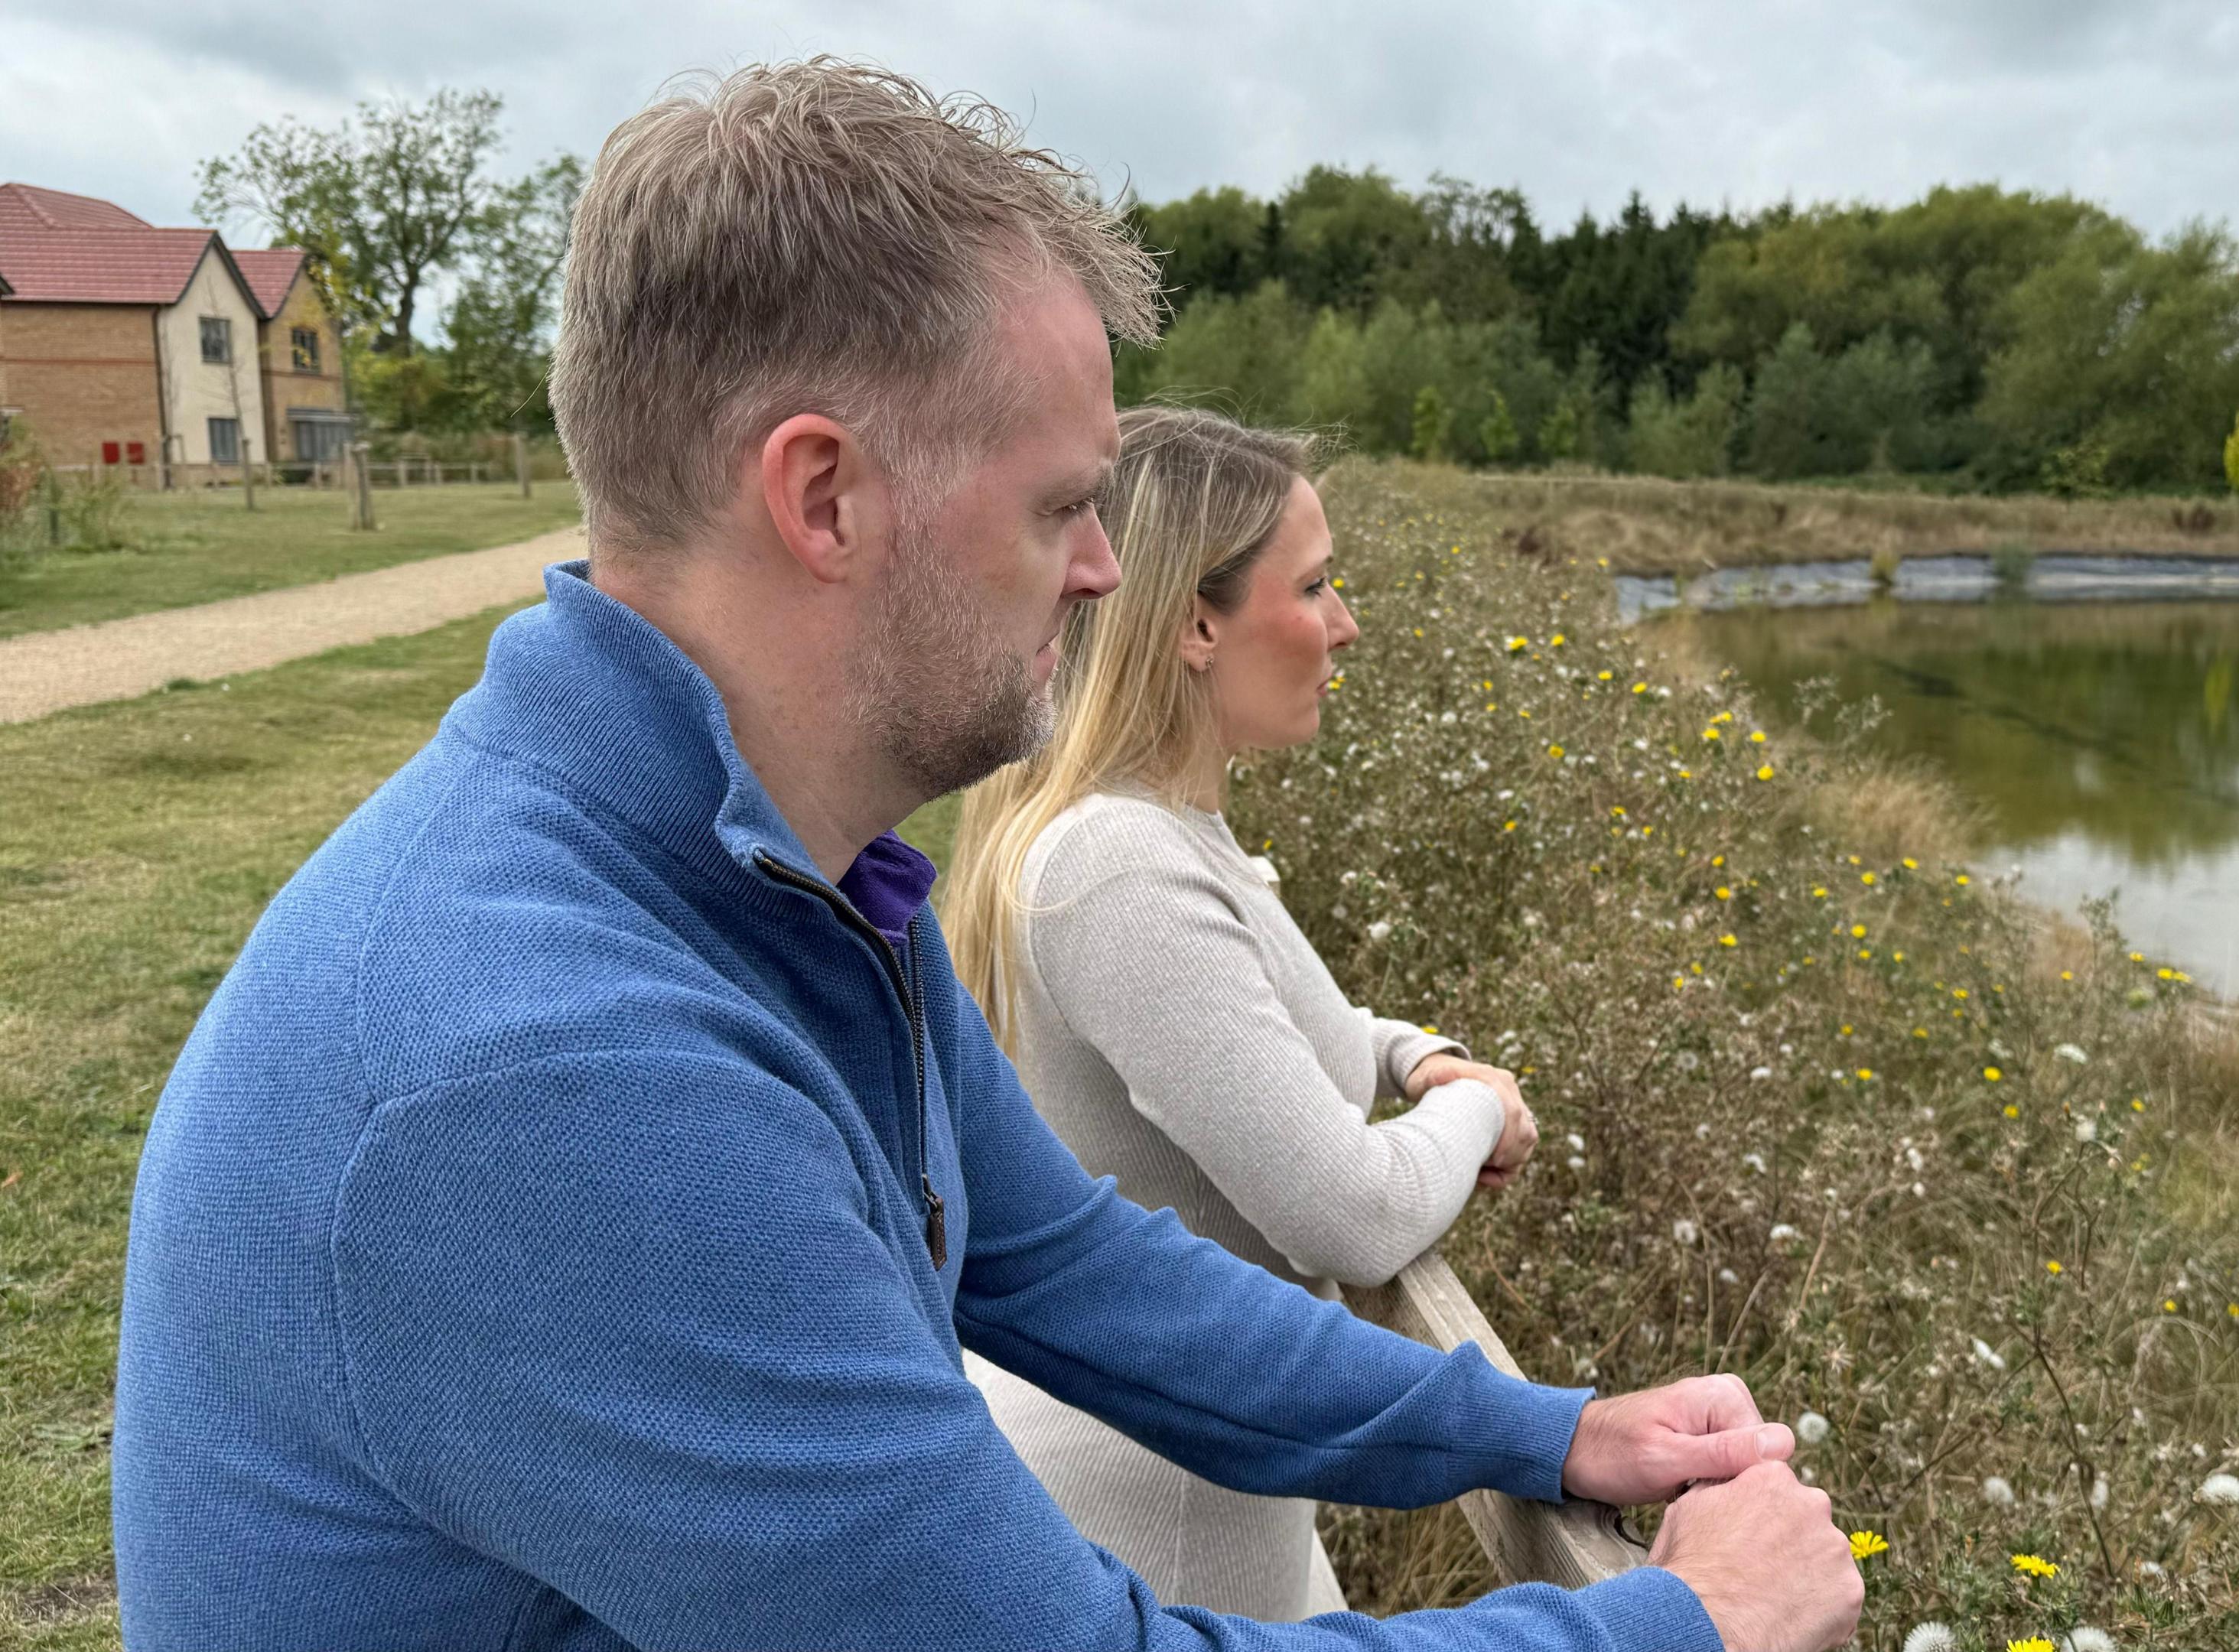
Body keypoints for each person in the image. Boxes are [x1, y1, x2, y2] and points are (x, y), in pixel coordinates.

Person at [109, 58, 1863, 1652]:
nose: (1105, 572)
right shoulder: (557, 1068)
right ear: (825, 497)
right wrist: (1679, 1628)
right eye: (1060, 505)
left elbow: (1073, 1271)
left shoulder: (758, 876)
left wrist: (1541, 1429)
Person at [939, 407, 1540, 1619]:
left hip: (1213, 1491)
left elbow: (1294, 1036)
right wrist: (1479, 1114)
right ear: (1197, 622)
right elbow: (1354, 1216)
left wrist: (1422, 1058)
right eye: (1314, 585)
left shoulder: (1163, 833)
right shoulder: (1121, 868)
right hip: (1145, 1515)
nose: (1344, 624)